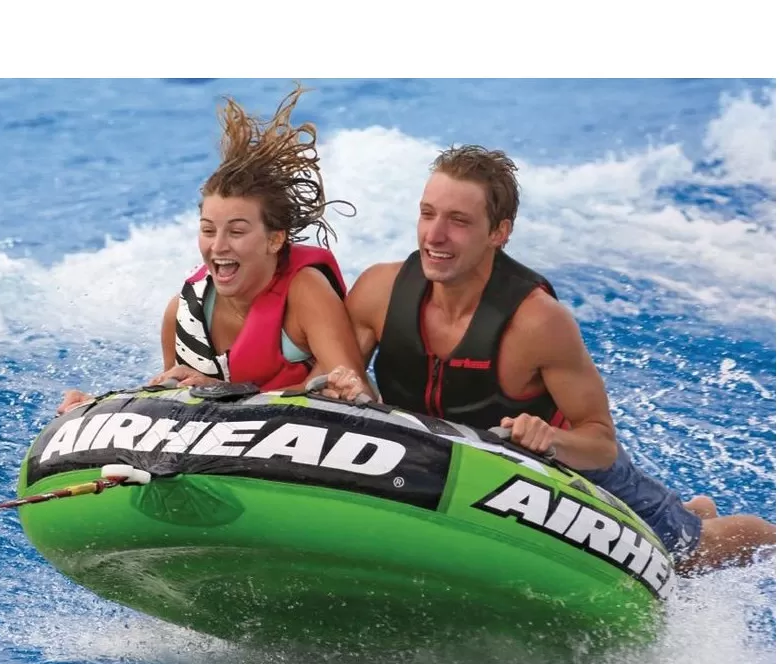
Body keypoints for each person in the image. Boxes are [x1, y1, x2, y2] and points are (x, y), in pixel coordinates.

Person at [318, 144, 775, 575]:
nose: (434, 235)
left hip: (560, 474)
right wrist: (345, 387)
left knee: (690, 554)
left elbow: (600, 441)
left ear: (498, 233)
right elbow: (334, 378)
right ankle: (693, 508)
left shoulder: (537, 322)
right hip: (434, 465)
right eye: (427, 214)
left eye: (458, 221)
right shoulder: (379, 291)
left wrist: (550, 439)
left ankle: (736, 528)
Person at [58, 85, 373, 414]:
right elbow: (168, 412)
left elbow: (353, 392)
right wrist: (97, 406)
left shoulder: (306, 293)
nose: (218, 246)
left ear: (275, 240)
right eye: (208, 230)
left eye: (237, 231)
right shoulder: (182, 316)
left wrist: (225, 393)